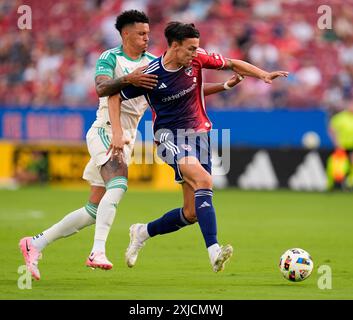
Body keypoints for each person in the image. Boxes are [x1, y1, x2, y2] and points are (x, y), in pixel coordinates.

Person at [19, 11, 242, 280]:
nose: (147, 38)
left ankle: (35, 243)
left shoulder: (152, 63)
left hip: (128, 137)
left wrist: (224, 87)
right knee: (119, 184)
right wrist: (127, 82)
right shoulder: (110, 57)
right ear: (126, 34)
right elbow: (103, 89)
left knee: (93, 209)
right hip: (106, 131)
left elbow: (180, 90)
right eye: (141, 33)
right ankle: (97, 252)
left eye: (148, 33)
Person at [108, 22, 288, 272]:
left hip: (200, 137)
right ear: (174, 46)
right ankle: (214, 251)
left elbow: (232, 64)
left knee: (191, 213)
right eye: (191, 49)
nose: (196, 53)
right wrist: (117, 131)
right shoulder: (149, 75)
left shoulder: (197, 59)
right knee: (204, 180)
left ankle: (142, 232)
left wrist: (263, 75)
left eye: (197, 48)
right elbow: (113, 95)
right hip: (169, 138)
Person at [328, 100, 353, 189]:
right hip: (341, 147)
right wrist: (336, 142)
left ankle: (349, 184)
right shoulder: (340, 117)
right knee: (339, 168)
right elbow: (331, 129)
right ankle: (334, 185)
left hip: (352, 146)